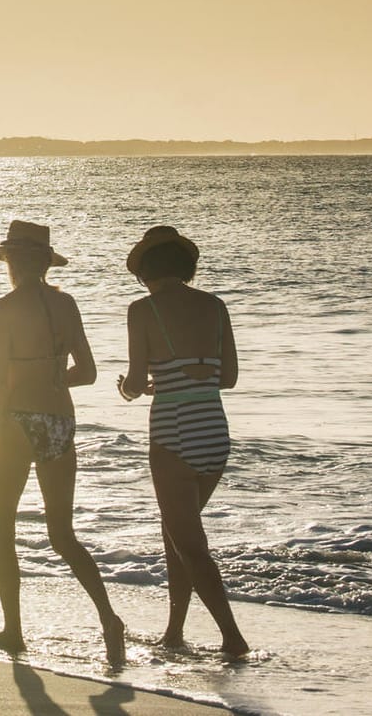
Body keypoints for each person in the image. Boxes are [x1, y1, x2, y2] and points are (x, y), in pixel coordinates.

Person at [0, 220, 125, 664]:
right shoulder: (67, 304)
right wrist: (51, 377)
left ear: (11, 263)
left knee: (2, 530)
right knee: (62, 534)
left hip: (15, 423)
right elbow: (89, 372)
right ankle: (109, 619)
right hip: (60, 419)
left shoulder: (2, 308)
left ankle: (14, 631)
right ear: (44, 262)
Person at [117, 225, 250, 658]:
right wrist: (178, 377)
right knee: (177, 532)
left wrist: (128, 389)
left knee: (190, 544)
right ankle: (173, 631)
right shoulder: (215, 306)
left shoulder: (142, 310)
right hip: (214, 429)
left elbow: (136, 383)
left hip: (173, 431)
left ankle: (232, 637)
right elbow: (226, 378)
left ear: (145, 270)